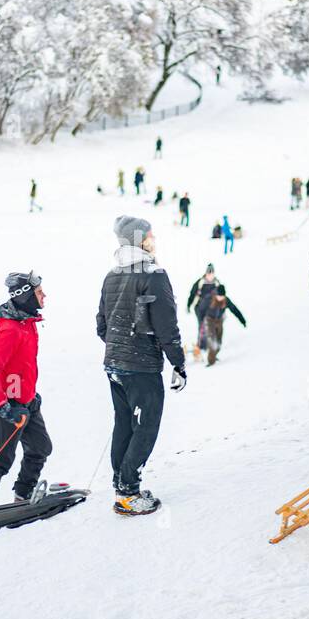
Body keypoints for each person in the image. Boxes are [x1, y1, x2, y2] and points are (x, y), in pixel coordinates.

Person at [95, 216, 187, 516]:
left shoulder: (112, 275)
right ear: (139, 240)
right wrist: (178, 362)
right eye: (150, 236)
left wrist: (119, 350)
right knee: (145, 427)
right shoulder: (154, 275)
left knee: (124, 423)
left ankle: (122, 483)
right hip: (141, 367)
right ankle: (128, 492)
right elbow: (166, 324)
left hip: (115, 365)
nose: (154, 240)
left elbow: (102, 325)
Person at [0, 271, 53, 510]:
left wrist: (29, 394)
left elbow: (21, 367)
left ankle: (23, 494)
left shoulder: (26, 323)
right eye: (39, 292)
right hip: (8, 405)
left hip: (27, 401)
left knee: (40, 447)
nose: (44, 296)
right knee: (1, 458)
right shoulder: (11, 330)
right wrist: (4, 406)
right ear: (26, 296)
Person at [202, 284, 246, 366]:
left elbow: (234, 310)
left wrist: (242, 320)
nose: (220, 298)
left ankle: (214, 356)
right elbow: (201, 309)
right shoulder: (209, 298)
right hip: (209, 321)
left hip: (219, 321)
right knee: (212, 342)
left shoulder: (226, 300)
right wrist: (201, 321)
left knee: (219, 342)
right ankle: (211, 361)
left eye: (222, 296)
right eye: (219, 296)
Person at [186, 264, 219, 357]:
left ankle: (211, 345)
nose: (210, 275)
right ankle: (201, 346)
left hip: (211, 309)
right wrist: (188, 305)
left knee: (211, 325)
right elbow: (192, 294)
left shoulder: (217, 283)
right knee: (202, 325)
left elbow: (221, 296)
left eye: (212, 273)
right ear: (206, 273)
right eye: (208, 273)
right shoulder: (200, 282)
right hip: (199, 308)